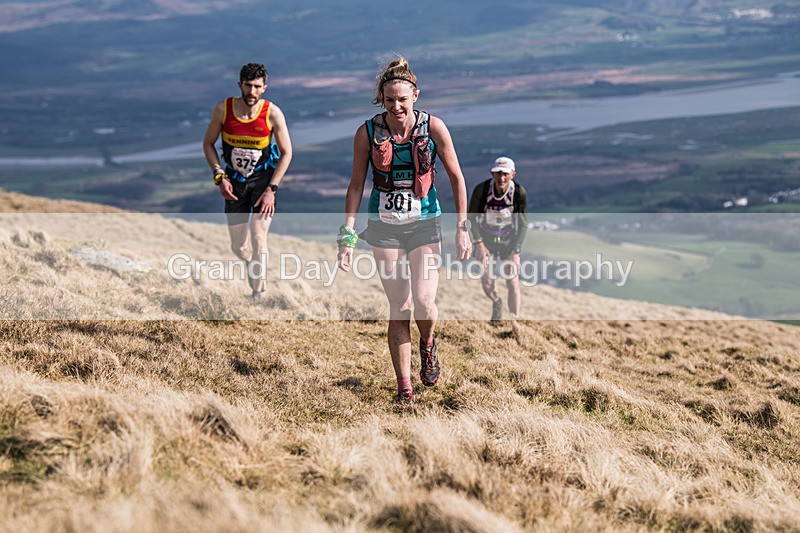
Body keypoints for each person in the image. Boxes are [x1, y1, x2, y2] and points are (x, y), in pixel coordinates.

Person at [337, 57, 472, 404]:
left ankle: (428, 344)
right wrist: (347, 237)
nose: (396, 106)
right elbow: (355, 186)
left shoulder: (434, 128)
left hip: (425, 224)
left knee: (425, 303)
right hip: (384, 227)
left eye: (402, 99)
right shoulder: (366, 132)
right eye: (389, 100)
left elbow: (457, 178)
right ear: (381, 99)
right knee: (401, 306)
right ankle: (404, 388)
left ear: (415, 96)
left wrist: (462, 228)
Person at [202, 63, 293, 299]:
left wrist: (272, 189)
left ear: (264, 88)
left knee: (258, 237)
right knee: (238, 247)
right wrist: (218, 174)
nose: (252, 92)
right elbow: (208, 144)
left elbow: (287, 152)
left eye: (257, 87)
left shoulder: (272, 113)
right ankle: (254, 267)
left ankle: (258, 292)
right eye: (247, 86)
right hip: (233, 184)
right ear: (239, 85)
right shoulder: (224, 109)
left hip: (263, 183)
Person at [468, 156, 528, 321]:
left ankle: (514, 321)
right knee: (487, 281)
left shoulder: (518, 193)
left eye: (505, 174)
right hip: (485, 240)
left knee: (512, 281)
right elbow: (471, 218)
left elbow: (523, 224)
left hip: (509, 242)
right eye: (498, 173)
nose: (501, 178)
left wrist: (516, 250)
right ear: (492, 174)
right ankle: (497, 301)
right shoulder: (482, 190)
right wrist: (478, 243)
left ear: (512, 175)